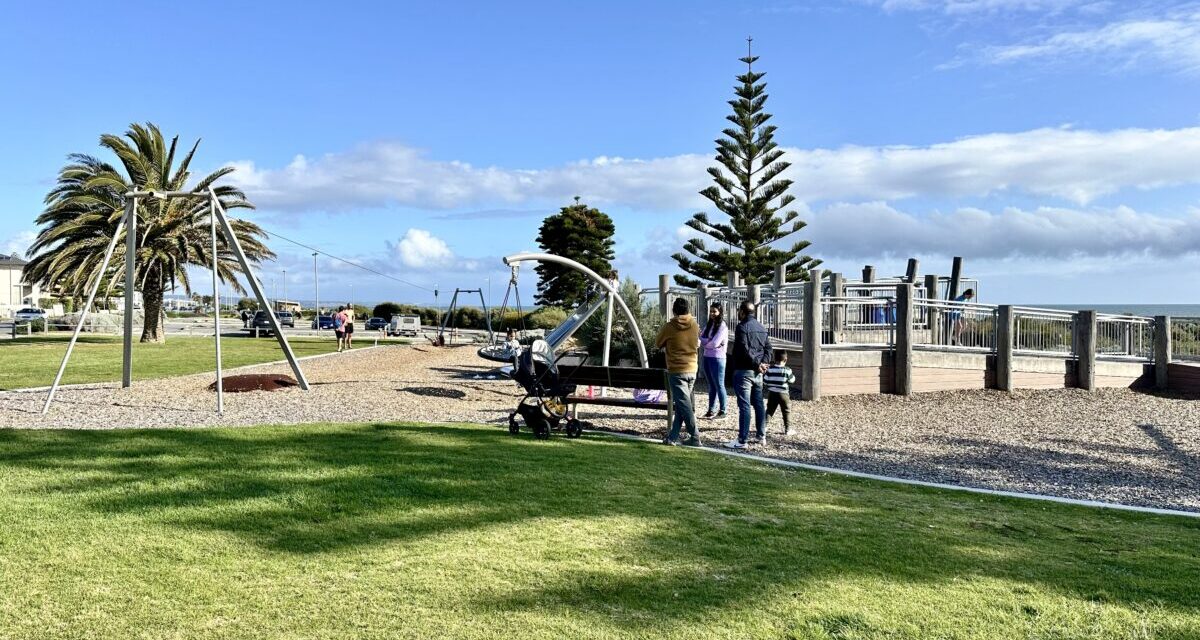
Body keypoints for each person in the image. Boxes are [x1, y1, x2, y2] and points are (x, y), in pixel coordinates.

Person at [725, 300, 772, 450]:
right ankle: (761, 435)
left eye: (739, 311)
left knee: (744, 405)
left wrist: (757, 364)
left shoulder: (741, 327)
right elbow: (769, 349)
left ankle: (742, 439)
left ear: (742, 312)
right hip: (758, 373)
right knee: (758, 404)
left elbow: (744, 349)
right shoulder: (761, 327)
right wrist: (763, 363)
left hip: (744, 370)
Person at [654, 297, 701, 447]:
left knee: (683, 404)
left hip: (677, 370)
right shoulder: (695, 325)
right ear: (688, 310)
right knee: (683, 404)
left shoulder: (669, 326)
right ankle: (673, 437)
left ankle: (695, 437)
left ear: (674, 310)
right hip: (692, 368)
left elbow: (657, 343)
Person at [698, 303, 728, 420]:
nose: (712, 314)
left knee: (719, 384)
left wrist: (706, 342)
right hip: (707, 357)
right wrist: (707, 342)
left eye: (714, 311)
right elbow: (700, 337)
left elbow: (715, 343)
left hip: (718, 359)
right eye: (711, 311)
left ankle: (723, 410)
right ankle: (711, 410)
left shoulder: (723, 327)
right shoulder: (709, 325)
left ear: (720, 312)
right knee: (711, 385)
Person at [764, 351, 796, 436]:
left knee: (770, 410)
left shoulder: (770, 369)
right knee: (786, 411)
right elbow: (792, 380)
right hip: (784, 394)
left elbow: (765, 381)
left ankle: (764, 426)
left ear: (774, 359)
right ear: (786, 359)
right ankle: (788, 429)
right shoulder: (787, 370)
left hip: (772, 393)